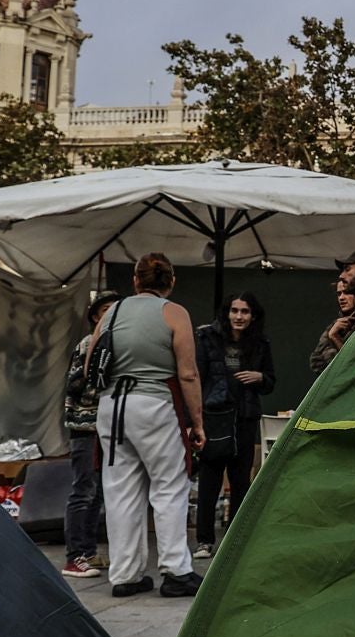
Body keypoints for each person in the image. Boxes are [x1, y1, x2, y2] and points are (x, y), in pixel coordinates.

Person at [88, 252, 204, 598]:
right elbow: (187, 372)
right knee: (169, 486)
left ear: (135, 280)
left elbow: (90, 365)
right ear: (170, 282)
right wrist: (197, 422)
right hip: (153, 404)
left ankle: (125, 575)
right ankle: (176, 570)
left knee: (120, 491)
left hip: (111, 407)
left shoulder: (111, 313)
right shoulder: (174, 313)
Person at [193, 292, 274, 560]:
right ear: (226, 313)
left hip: (246, 417)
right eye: (235, 310)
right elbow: (197, 376)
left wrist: (259, 376)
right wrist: (194, 419)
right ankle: (204, 540)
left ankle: (232, 539)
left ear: (253, 316)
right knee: (209, 480)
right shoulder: (206, 337)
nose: (239, 316)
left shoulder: (261, 343)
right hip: (214, 416)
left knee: (241, 480)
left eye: (245, 311)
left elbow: (272, 381)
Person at [59, 290, 120, 578]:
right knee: (84, 490)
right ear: (95, 315)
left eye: (115, 309)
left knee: (96, 492)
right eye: (105, 309)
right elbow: (75, 386)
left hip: (102, 426)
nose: (110, 314)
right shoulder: (88, 344)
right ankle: (75, 556)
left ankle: (88, 552)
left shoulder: (112, 343)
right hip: (85, 426)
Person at [309, 283, 355, 374]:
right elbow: (315, 362)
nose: (341, 298)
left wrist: (334, 337)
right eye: (339, 294)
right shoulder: (334, 326)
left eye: (346, 292)